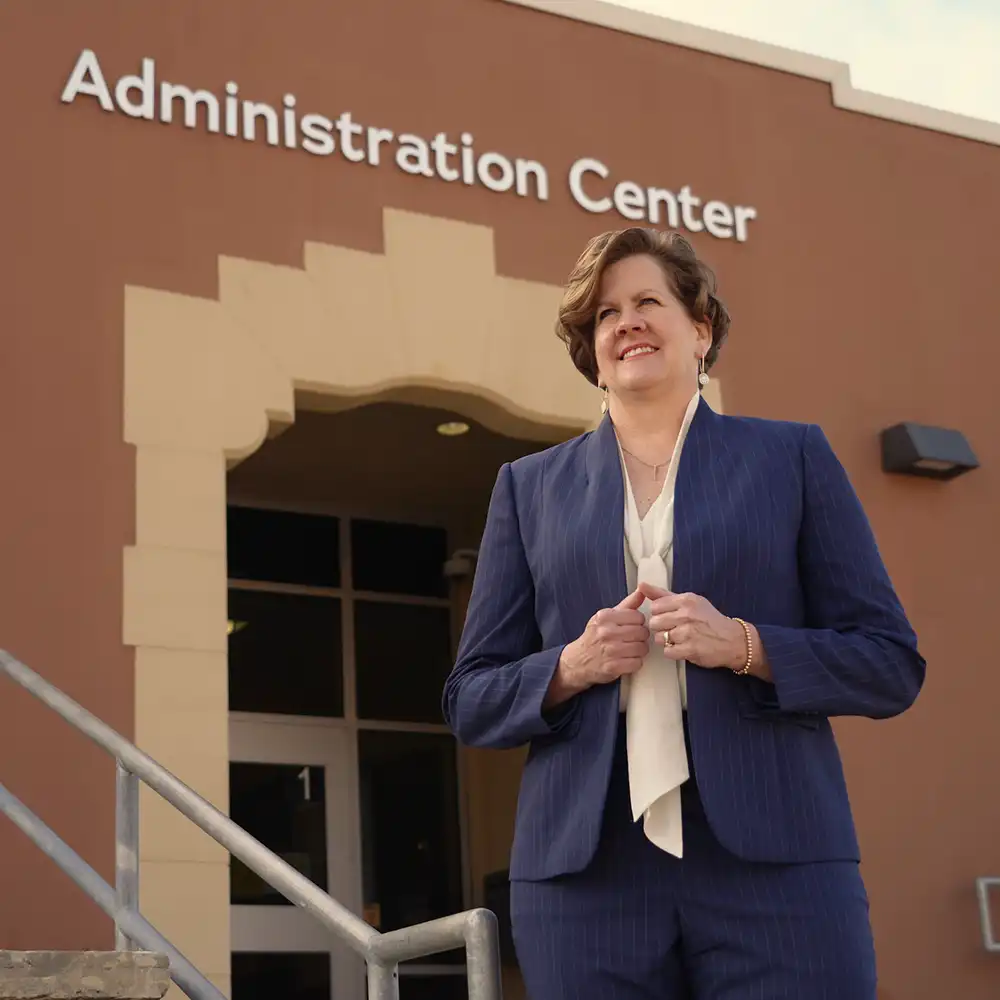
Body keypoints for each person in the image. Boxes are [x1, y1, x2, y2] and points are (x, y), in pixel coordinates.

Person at [442, 226, 925, 999]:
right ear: (590, 352)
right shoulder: (527, 490)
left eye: (647, 302)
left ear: (700, 330)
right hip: (587, 876)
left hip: (777, 868)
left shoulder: (792, 460)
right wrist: (569, 666)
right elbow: (471, 699)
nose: (626, 321)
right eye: (605, 314)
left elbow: (889, 663)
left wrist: (744, 644)